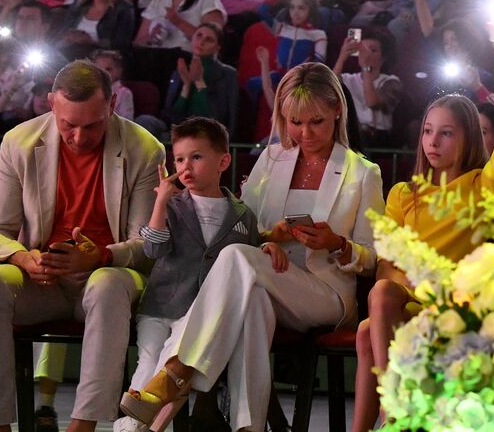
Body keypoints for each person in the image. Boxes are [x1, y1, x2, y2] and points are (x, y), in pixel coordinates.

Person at [121, 63, 382, 432]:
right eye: (294, 122)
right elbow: (244, 226)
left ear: (337, 111)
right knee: (252, 302)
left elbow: (372, 258)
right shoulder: (272, 159)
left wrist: (337, 244)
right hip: (265, 279)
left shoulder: (362, 173)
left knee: (235, 258)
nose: (304, 133)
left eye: (316, 122)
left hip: (326, 296)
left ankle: (176, 371)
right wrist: (269, 239)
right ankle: (249, 426)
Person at [0, 60, 164, 432]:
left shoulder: (145, 148)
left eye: (92, 125)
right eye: (68, 124)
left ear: (113, 105)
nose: (78, 136)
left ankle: (83, 425)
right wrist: (23, 257)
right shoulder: (18, 142)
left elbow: (148, 245)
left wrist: (102, 255)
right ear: (50, 105)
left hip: (111, 277)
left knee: (107, 283)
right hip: (43, 279)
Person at [350, 27, 494, 432]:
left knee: (366, 332)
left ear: (469, 138)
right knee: (379, 299)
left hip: (460, 306)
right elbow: (387, 269)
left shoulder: (483, 184)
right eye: (428, 131)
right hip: (410, 302)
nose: (433, 141)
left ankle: (394, 413)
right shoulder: (403, 193)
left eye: (446, 132)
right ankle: (390, 413)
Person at [120, 116, 259, 430]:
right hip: (160, 305)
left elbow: (244, 264)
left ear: (223, 160)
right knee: (150, 357)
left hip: (199, 315)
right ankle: (132, 425)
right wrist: (159, 202)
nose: (185, 167)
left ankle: (136, 426)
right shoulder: (172, 206)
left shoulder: (242, 214)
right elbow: (153, 250)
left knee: (173, 363)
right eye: (179, 159)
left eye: (196, 157)